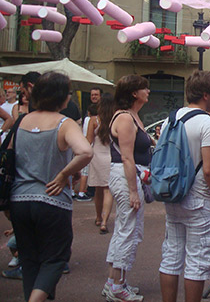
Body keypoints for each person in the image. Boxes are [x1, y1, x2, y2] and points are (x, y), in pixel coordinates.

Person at [10, 71, 93, 302]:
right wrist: (63, 174)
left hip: (20, 200)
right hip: (52, 200)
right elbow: (85, 151)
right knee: (55, 258)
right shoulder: (64, 124)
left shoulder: (22, 121)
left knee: (29, 260)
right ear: (62, 97)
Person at [159, 70, 210, 302]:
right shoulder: (208, 123)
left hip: (174, 192)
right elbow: (209, 169)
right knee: (197, 260)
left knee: (171, 255)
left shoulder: (172, 118)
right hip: (198, 197)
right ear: (206, 95)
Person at [103, 75, 152, 302]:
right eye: (145, 88)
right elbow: (126, 157)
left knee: (126, 229)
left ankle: (115, 281)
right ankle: (116, 286)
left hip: (128, 177)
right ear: (134, 93)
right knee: (127, 231)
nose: (148, 92)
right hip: (125, 178)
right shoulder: (124, 118)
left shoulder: (132, 116)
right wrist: (133, 190)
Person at [87, 93, 115, 234]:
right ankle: (105, 221)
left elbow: (88, 141)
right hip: (111, 156)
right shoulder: (115, 120)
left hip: (96, 156)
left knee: (98, 190)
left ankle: (98, 217)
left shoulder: (94, 120)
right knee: (108, 189)